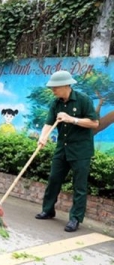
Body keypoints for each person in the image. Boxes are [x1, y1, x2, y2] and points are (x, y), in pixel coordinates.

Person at [34, 70, 98, 232]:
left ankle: (75, 218)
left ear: (65, 86)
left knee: (79, 186)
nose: (53, 90)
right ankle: (48, 210)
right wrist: (43, 137)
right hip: (62, 148)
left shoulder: (83, 100)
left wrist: (72, 119)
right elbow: (49, 123)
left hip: (81, 150)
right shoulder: (56, 103)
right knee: (54, 179)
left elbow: (94, 123)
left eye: (55, 88)